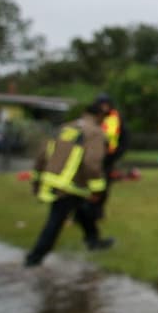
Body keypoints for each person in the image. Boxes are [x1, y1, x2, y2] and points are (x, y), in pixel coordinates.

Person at [24, 105, 116, 267]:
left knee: (84, 213)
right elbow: (92, 163)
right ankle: (34, 258)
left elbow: (42, 155)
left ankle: (93, 241)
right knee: (55, 222)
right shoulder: (94, 132)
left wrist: (37, 182)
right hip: (70, 186)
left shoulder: (65, 128)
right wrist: (97, 189)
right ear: (100, 116)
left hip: (55, 181)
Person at [92, 93, 126, 217]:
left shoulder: (117, 117)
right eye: (102, 105)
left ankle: (98, 211)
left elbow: (123, 137)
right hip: (92, 156)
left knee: (104, 185)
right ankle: (80, 214)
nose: (104, 108)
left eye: (106, 105)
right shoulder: (92, 117)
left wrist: (117, 154)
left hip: (108, 157)